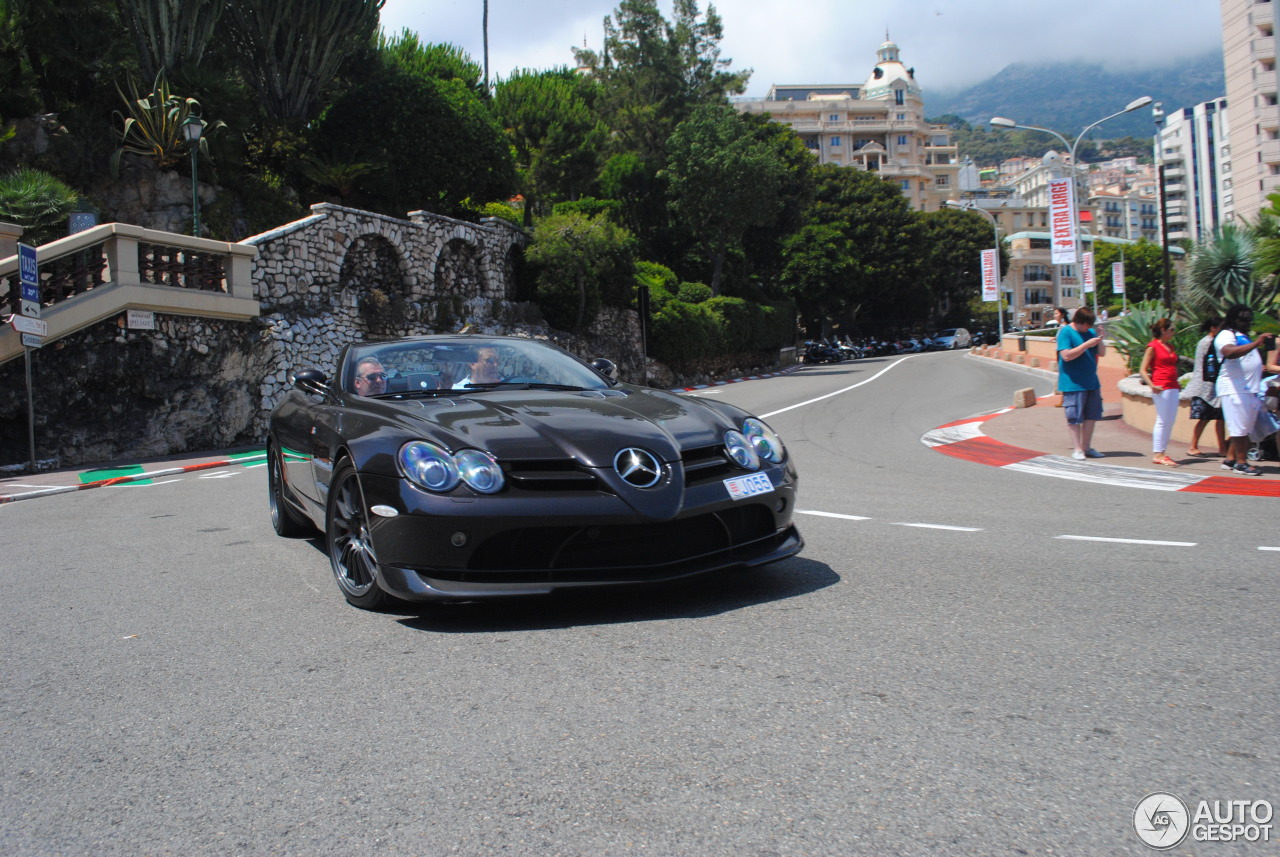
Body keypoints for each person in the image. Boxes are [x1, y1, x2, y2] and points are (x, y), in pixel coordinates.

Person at [1214, 304, 1275, 476]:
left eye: (1249, 319)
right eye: (1244, 319)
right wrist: (1257, 343)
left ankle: (1230, 459)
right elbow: (1229, 353)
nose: (1248, 322)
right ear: (1233, 319)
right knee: (1239, 428)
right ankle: (1241, 463)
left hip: (1248, 390)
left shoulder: (1243, 336)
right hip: (1234, 389)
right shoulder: (1226, 335)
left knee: (1244, 427)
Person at [1056, 307, 1107, 461]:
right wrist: (1086, 345)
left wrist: (1099, 338)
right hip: (1073, 382)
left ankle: (1086, 446)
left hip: (1091, 381)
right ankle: (1077, 449)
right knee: (1074, 417)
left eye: (1090, 326)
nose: (1088, 328)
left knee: (1091, 416)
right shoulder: (1065, 332)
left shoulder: (1090, 333)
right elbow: (1066, 356)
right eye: (1086, 325)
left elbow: (1102, 353)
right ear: (1078, 322)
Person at [1138, 317, 1180, 467]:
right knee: (1163, 419)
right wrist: (1152, 385)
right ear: (1163, 330)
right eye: (1171, 330)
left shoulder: (1170, 346)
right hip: (1161, 386)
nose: (1173, 332)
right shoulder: (1153, 346)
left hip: (1173, 385)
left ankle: (1162, 451)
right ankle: (1158, 453)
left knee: (1170, 420)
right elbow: (1143, 369)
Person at [1184, 316, 1227, 457]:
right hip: (1204, 386)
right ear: (1213, 328)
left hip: (1216, 385)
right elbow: (1207, 365)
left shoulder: (1217, 342)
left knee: (1220, 418)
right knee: (1204, 418)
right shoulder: (1206, 343)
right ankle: (1193, 446)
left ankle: (1222, 448)